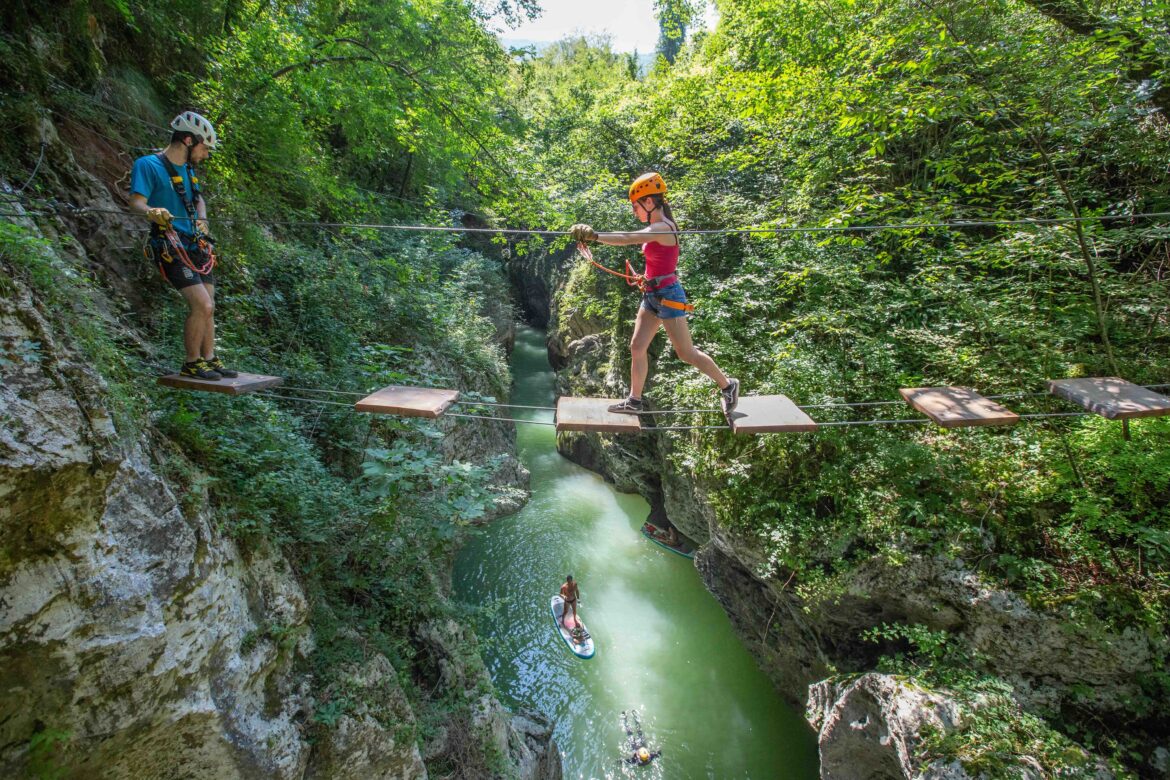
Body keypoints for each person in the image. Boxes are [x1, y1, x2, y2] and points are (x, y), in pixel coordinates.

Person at [570, 172, 738, 417]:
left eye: (635, 206)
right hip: (652, 293)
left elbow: (628, 238)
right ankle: (634, 400)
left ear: (649, 203)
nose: (634, 212)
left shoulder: (662, 228)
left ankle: (728, 385)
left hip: (668, 295)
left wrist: (594, 236)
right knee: (637, 346)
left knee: (686, 353)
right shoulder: (657, 226)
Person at [129, 111, 236, 381]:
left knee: (209, 303)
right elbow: (137, 203)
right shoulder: (148, 165)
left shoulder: (188, 170)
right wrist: (152, 211)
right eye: (205, 148)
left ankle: (209, 359)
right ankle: (191, 362)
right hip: (169, 244)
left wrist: (202, 219)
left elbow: (198, 199)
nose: (206, 155)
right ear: (189, 140)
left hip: (195, 244)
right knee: (203, 305)